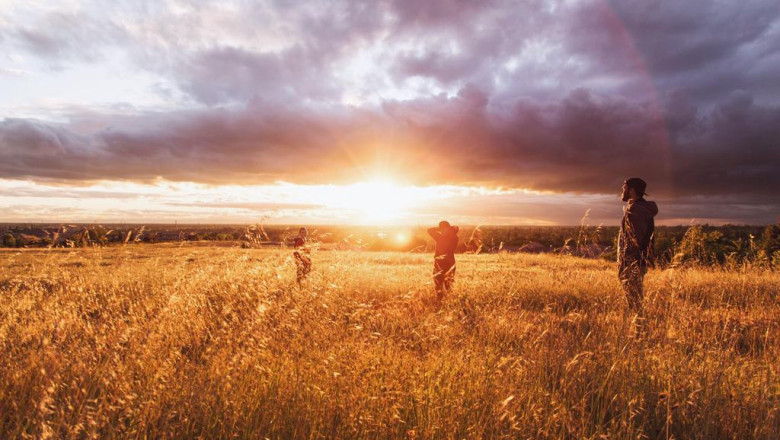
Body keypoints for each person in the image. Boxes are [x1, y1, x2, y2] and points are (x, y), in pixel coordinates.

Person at [618, 178, 658, 313]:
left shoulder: (637, 210)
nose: (622, 190)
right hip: (634, 261)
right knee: (634, 297)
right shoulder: (635, 207)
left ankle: (638, 325)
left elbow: (636, 239)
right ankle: (637, 323)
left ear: (632, 190)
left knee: (634, 299)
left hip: (633, 261)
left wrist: (628, 261)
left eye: (624, 187)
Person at [427, 221, 459, 300]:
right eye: (441, 230)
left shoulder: (451, 237)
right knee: (438, 284)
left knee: (448, 285)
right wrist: (442, 229)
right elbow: (429, 230)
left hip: (447, 263)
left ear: (448, 229)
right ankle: (440, 300)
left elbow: (430, 230)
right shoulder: (441, 236)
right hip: (442, 263)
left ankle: (449, 301)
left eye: (443, 229)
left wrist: (446, 230)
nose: (442, 231)